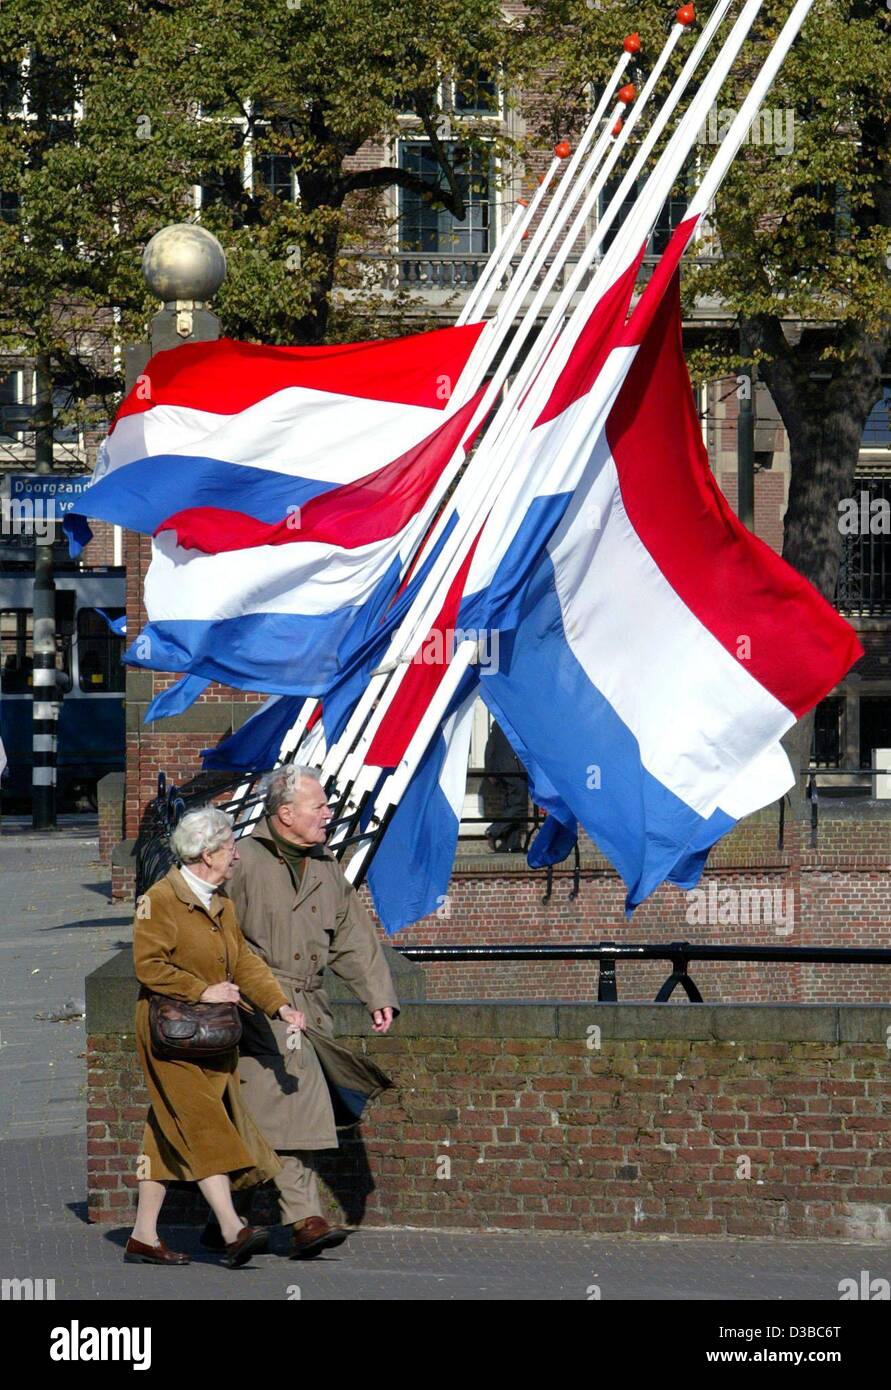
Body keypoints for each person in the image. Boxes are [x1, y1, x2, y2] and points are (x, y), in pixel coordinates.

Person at [209, 764, 399, 1260]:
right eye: (320, 806)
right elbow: (202, 921)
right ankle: (303, 1219)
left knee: (265, 1112)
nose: (329, 814)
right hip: (257, 1005)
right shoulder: (241, 860)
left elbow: (352, 933)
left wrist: (376, 992)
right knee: (292, 1101)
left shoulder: (325, 865)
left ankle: (229, 1214)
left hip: (310, 1008)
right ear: (286, 813)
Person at [128, 805, 305, 1268]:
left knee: (169, 1129)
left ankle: (144, 1236)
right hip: (171, 1035)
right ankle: (231, 1227)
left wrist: (279, 1004)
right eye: (229, 848)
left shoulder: (221, 904)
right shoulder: (160, 899)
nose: (237, 857)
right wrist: (202, 990)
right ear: (207, 854)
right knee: (206, 1124)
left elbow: (244, 961)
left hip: (212, 1037)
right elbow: (149, 966)